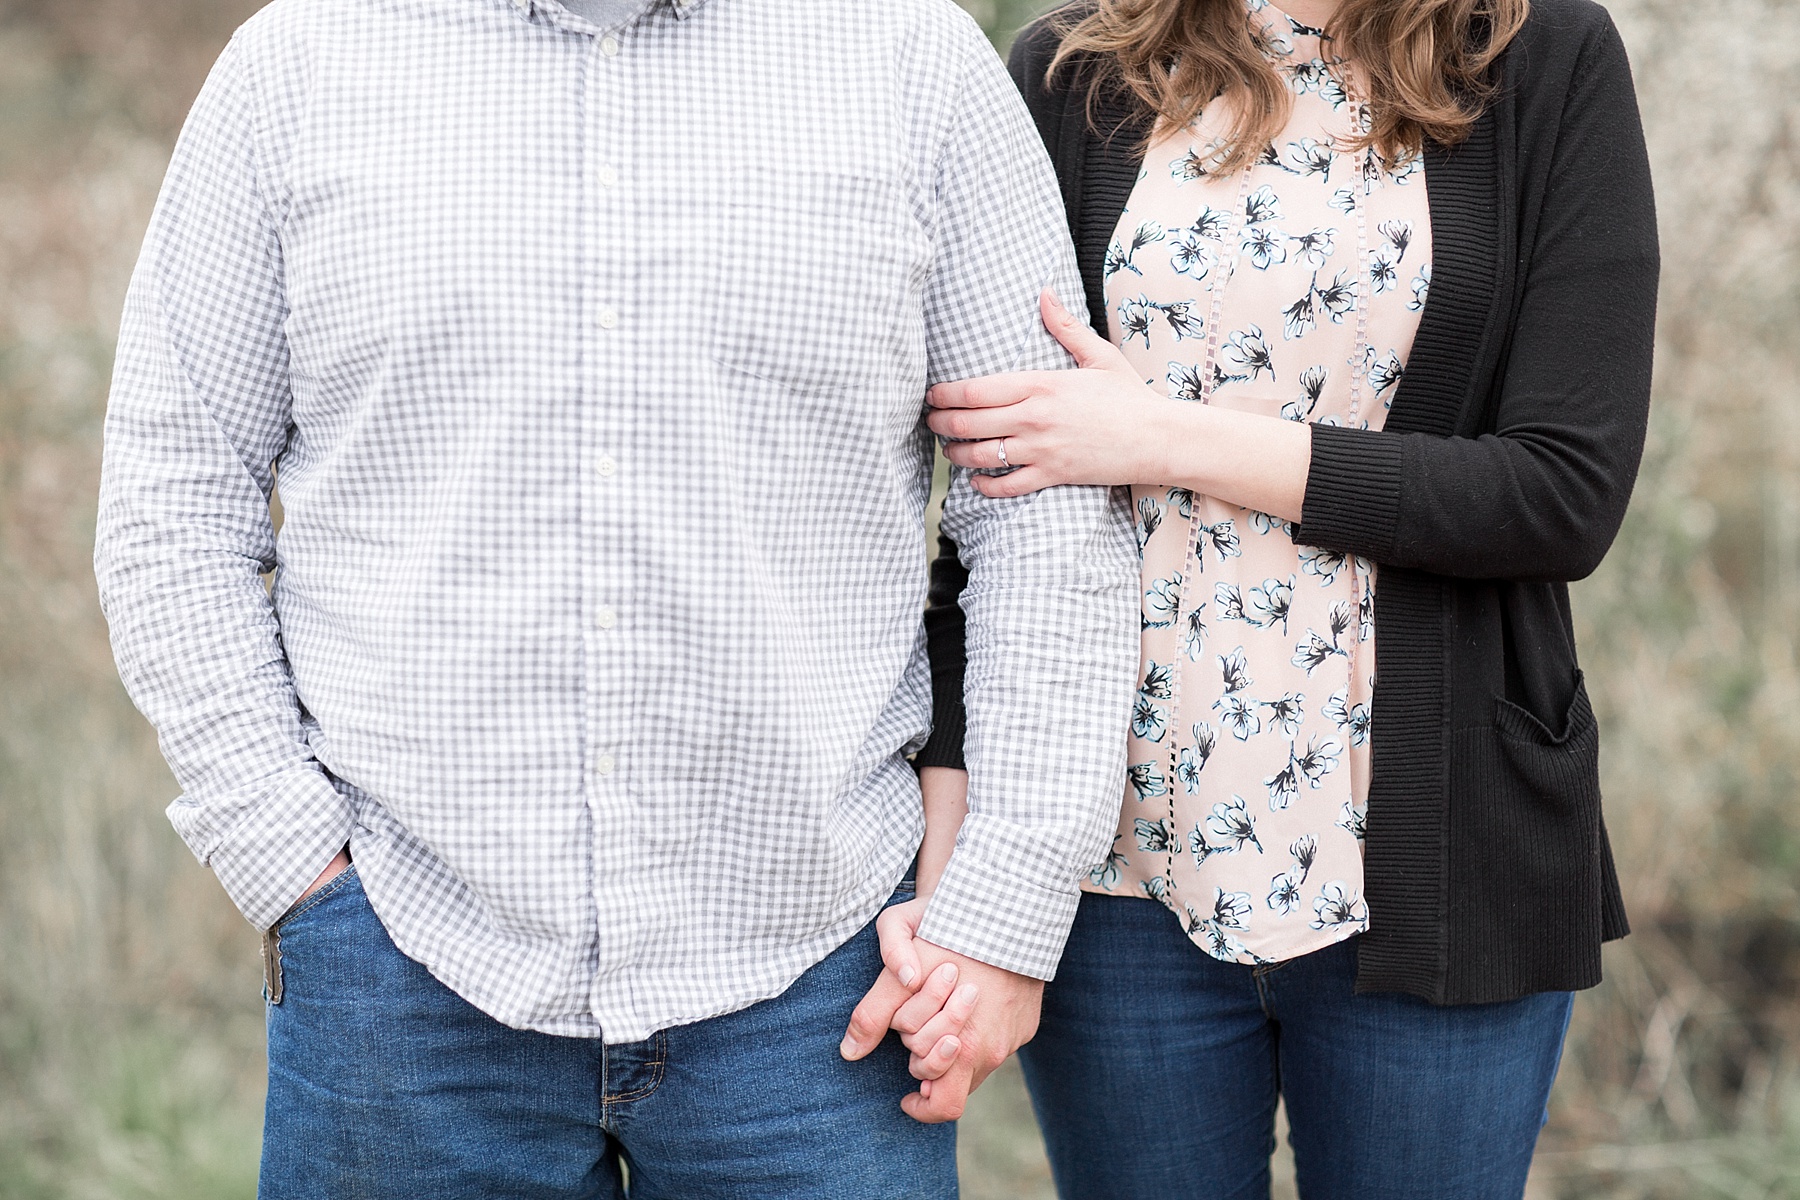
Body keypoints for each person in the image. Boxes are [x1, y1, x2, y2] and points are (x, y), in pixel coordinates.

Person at [91, 0, 1143, 1193]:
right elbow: (173, 500)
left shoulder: (914, 61)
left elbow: (1043, 514)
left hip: (825, 988)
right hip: (403, 975)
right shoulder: (298, 65)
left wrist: (1002, 909)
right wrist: (292, 865)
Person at [870, 0, 1659, 1194]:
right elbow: (992, 507)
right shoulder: (1073, 70)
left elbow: (1560, 492)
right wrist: (954, 864)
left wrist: (1167, 437)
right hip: (1115, 865)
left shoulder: (1537, 54)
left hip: (1439, 856)